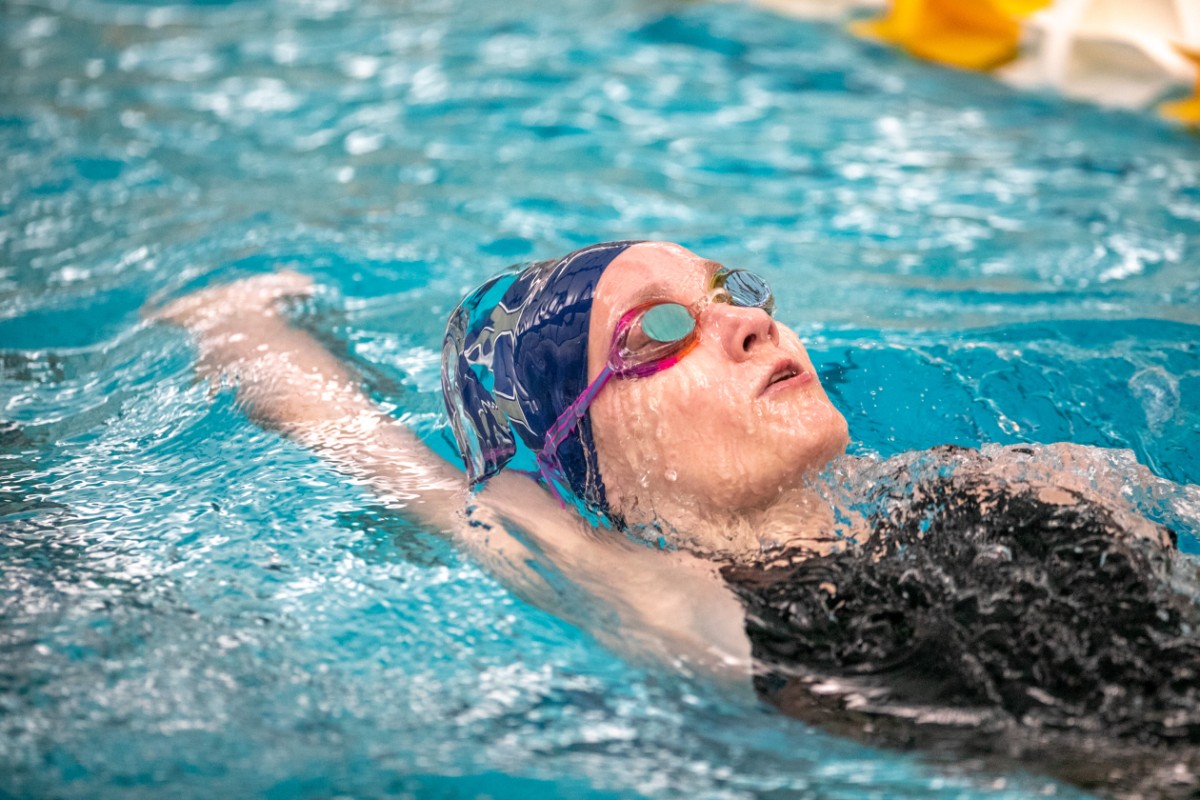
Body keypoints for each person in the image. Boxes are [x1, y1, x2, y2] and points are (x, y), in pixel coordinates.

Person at [155, 240, 1200, 797]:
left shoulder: (992, 485)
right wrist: (231, 323)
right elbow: (377, 455)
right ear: (578, 458)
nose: (751, 322)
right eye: (660, 331)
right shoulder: (663, 593)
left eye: (729, 289)